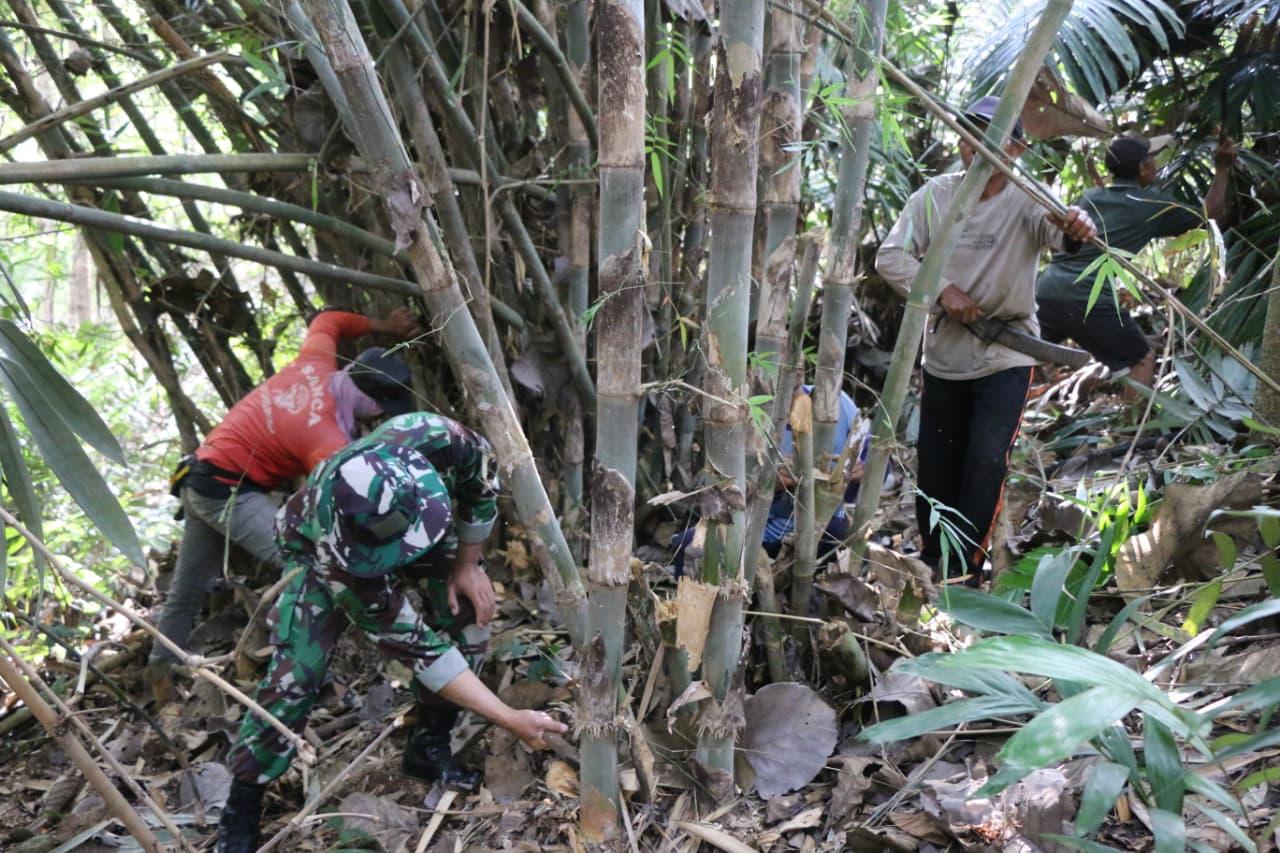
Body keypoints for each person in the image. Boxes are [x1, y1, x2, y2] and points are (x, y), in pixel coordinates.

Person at [217, 412, 567, 852]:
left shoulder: (437, 439)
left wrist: (467, 564)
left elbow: (479, 491)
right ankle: (242, 806)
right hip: (325, 556)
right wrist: (507, 716)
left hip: (419, 522)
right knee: (296, 675)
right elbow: (421, 648)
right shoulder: (336, 557)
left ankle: (429, 745)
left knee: (463, 614)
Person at [876, 96, 1097, 584]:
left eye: (989, 138)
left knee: (985, 459)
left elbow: (1066, 233)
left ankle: (966, 568)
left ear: (1015, 149)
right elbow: (890, 257)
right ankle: (935, 560)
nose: (974, 147)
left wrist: (1078, 226)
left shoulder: (1029, 197)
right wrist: (941, 289)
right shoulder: (934, 196)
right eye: (968, 135)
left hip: (1008, 351)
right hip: (946, 353)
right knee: (937, 463)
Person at [148, 307, 421, 679]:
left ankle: (159, 672)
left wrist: (383, 325)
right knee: (308, 562)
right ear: (368, 401)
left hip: (201, 477)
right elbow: (342, 504)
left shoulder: (317, 362)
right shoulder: (325, 439)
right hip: (228, 492)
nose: (378, 418)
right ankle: (298, 667)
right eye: (380, 411)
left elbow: (329, 321)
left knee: (187, 590)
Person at [1037, 134, 1237, 387]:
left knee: (1024, 355)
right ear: (1143, 169)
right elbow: (1209, 214)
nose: (1157, 163)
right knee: (1141, 359)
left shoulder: (1090, 196)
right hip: (1088, 295)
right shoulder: (1149, 205)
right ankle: (1132, 423)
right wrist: (1222, 169)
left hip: (1048, 286)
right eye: (1152, 158)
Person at [670, 386, 867, 573]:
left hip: (823, 521)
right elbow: (726, 487)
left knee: (835, 538)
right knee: (687, 547)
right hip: (760, 520)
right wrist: (770, 483)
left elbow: (873, 468)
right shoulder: (746, 410)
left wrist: (861, 473)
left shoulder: (839, 403)